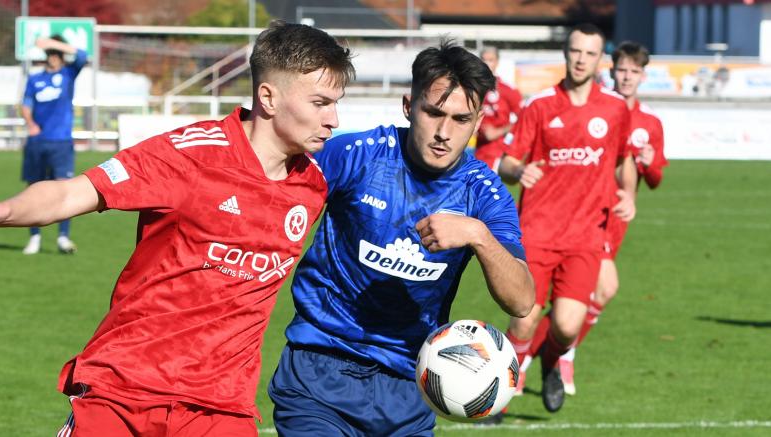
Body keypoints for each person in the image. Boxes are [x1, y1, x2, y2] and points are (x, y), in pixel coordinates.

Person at [0, 22, 354, 436]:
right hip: (123, 389)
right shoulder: (189, 155)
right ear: (268, 97)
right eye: (320, 103)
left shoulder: (314, 183)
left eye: (336, 103)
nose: (333, 119)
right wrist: (0, 211)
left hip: (220, 408)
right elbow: (75, 192)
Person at [267, 41, 536, 436]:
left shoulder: (484, 195)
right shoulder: (356, 155)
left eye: (461, 119)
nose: (444, 132)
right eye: (433, 113)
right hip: (319, 369)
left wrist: (478, 236)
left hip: (411, 387)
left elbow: (522, 299)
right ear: (409, 106)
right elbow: (271, 205)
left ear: (478, 123)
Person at [496, 23, 638, 414]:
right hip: (537, 232)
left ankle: (550, 359)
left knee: (567, 326)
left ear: (599, 60)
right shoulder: (539, 105)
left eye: (589, 54)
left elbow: (625, 159)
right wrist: (517, 172)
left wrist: (629, 193)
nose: (581, 59)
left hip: (585, 236)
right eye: (575, 51)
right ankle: (499, 397)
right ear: (566, 52)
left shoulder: (613, 108)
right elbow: (507, 162)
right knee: (523, 322)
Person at [557, 41, 668, 396]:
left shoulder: (649, 122)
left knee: (584, 296)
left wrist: (648, 162)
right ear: (611, 70)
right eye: (622, 69)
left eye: (634, 71)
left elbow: (655, 179)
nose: (627, 77)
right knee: (604, 287)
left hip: (618, 222)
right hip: (587, 215)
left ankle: (552, 352)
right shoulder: (598, 107)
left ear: (643, 76)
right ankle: (560, 355)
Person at [20, 35, 87, 255]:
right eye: (50, 54)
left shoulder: (68, 75)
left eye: (57, 54)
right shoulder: (34, 80)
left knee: (63, 190)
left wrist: (53, 43)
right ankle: (34, 238)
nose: (54, 58)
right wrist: (30, 123)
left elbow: (83, 55)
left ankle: (63, 238)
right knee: (33, 190)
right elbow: (26, 105)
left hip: (61, 143)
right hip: (37, 143)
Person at [473, 46, 523, 172]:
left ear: (497, 62)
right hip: (481, 151)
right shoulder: (472, 89)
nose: (487, 64)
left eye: (491, 60)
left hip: (501, 152)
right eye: (483, 60)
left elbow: (524, 118)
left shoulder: (508, 89)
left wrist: (504, 130)